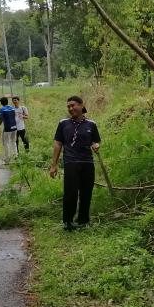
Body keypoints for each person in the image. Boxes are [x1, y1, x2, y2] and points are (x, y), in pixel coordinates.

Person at [49, 95, 101, 231]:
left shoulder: (91, 124)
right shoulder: (63, 123)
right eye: (69, 106)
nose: (71, 109)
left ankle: (83, 220)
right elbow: (58, 143)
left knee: (86, 193)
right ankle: (68, 221)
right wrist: (53, 165)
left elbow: (96, 141)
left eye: (73, 105)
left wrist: (96, 145)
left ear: (81, 105)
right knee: (70, 193)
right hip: (71, 162)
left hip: (87, 163)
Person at [0, 96, 18, 163]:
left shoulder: (2, 109)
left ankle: (7, 159)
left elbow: (1, 120)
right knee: (13, 141)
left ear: (1, 103)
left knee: (6, 143)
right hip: (14, 127)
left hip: (7, 128)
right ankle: (16, 156)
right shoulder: (12, 108)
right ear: (7, 101)